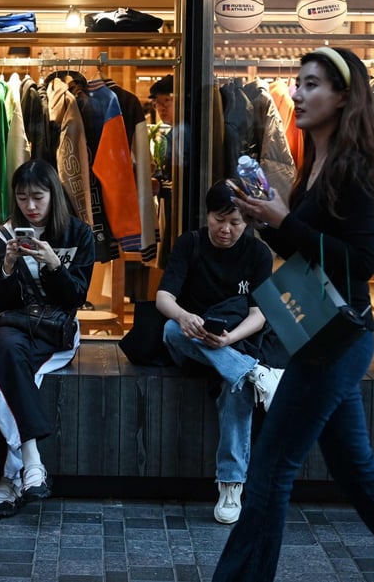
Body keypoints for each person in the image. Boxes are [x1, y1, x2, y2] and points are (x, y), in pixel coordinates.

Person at [214, 47, 374, 580]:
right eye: (298, 82)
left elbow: (362, 262)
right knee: (355, 470)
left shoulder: (353, 170)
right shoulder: (317, 165)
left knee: (270, 469)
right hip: (319, 331)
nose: (297, 93)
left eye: (311, 85)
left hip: (338, 336)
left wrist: (284, 222)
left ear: (342, 97)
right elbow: (312, 249)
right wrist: (266, 220)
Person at [156, 180, 281, 525]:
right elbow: (163, 298)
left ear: (247, 223)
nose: (225, 229)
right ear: (207, 214)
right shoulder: (190, 243)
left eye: (235, 223)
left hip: (233, 342)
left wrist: (229, 340)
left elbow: (260, 313)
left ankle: (231, 484)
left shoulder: (257, 253)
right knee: (170, 329)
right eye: (218, 219)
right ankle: (253, 372)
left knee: (235, 386)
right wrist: (184, 317)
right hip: (193, 342)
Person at [0, 159, 95, 517]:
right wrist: (9, 267)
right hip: (12, 326)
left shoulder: (78, 234)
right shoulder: (1, 237)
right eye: (23, 197)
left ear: (53, 195)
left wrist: (54, 265)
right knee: (6, 354)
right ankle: (31, 464)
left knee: (0, 370)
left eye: (38, 197)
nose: (30, 206)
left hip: (53, 330)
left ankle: (10, 479)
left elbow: (76, 298)